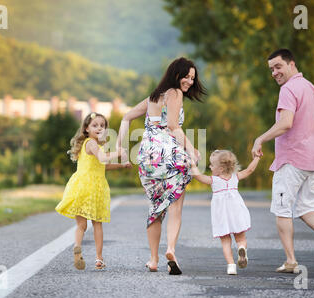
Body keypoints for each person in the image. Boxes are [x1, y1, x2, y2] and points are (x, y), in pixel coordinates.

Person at [116, 57, 207, 274]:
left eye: (193, 78)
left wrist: (120, 147)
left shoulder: (153, 97)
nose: (190, 82)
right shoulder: (174, 93)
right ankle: (172, 250)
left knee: (155, 207)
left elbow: (126, 117)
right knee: (176, 206)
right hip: (169, 154)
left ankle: (154, 259)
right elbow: (174, 126)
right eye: (186, 76)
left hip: (147, 157)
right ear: (176, 75)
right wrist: (192, 148)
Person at [251, 48, 314, 273]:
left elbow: (286, 122)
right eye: (271, 69)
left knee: (282, 209)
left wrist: (260, 138)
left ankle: (291, 261)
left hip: (293, 160)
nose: (274, 73)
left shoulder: (288, 89)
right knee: (307, 206)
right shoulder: (310, 87)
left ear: (292, 64)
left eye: (278, 67)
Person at [56, 112, 131, 270]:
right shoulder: (91, 143)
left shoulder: (94, 145)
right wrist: (119, 153)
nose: (99, 128)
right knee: (97, 224)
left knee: (81, 225)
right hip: (93, 188)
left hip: (81, 186)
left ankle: (77, 246)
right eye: (95, 125)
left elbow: (102, 165)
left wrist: (121, 165)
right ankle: (99, 258)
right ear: (86, 128)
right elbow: (103, 158)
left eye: (102, 126)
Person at [191, 150, 260, 275]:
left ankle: (231, 265)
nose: (210, 167)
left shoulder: (213, 180)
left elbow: (198, 176)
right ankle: (241, 248)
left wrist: (192, 164)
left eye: (212, 165)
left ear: (221, 168)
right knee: (240, 237)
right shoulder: (236, 177)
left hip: (221, 214)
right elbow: (250, 170)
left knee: (225, 240)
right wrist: (256, 158)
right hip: (236, 212)